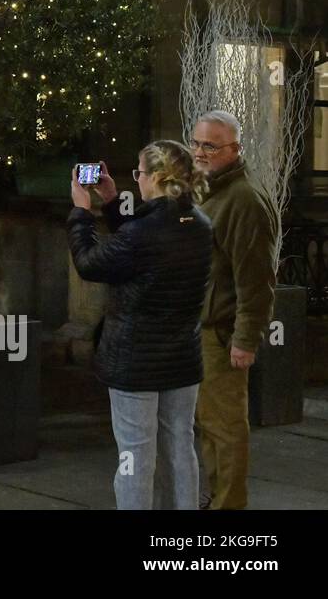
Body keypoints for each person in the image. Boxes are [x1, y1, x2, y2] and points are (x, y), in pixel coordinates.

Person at [68, 142, 212, 509]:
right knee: (180, 446)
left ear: (157, 178)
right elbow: (139, 245)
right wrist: (114, 201)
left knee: (135, 454)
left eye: (139, 173)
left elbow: (90, 264)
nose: (138, 180)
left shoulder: (142, 235)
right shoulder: (199, 224)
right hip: (181, 357)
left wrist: (82, 213)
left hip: (135, 361)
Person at [190, 110, 277, 510]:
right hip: (201, 328)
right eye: (196, 143)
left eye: (210, 145)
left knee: (224, 428)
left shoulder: (243, 199)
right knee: (207, 423)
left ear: (234, 149)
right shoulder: (207, 189)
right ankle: (216, 498)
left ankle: (228, 507)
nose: (200, 152)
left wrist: (245, 339)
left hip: (222, 332)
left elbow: (256, 281)